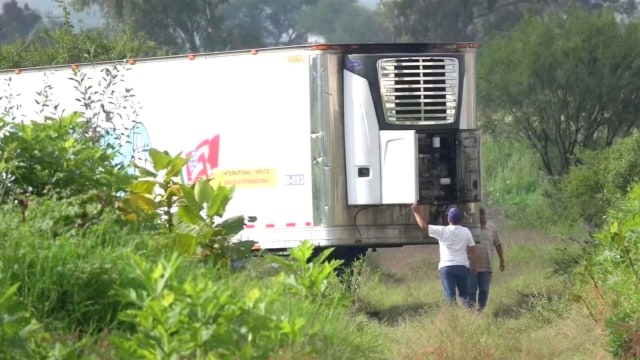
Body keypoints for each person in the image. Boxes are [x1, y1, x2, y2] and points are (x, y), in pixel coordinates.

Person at [412, 203, 477, 306]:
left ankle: (452, 318)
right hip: (462, 267)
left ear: (448, 219)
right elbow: (472, 250)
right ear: (460, 220)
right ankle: (468, 315)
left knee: (450, 296)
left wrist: (416, 212)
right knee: (465, 295)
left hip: (447, 268)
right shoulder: (466, 232)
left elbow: (424, 226)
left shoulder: (442, 231)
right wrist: (474, 266)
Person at [468, 207, 505, 312]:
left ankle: (481, 311)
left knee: (484, 290)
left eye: (483, 216)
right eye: (480, 218)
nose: (482, 219)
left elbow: (498, 244)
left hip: (486, 265)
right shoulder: (469, 228)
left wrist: (502, 259)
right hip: (471, 266)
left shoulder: (492, 228)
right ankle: (470, 313)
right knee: (471, 291)